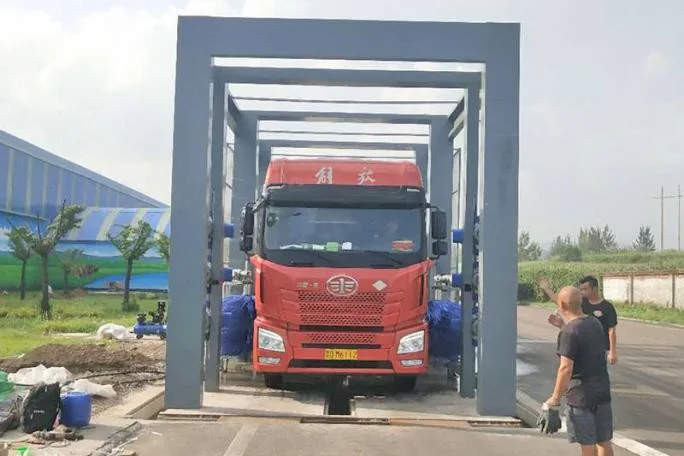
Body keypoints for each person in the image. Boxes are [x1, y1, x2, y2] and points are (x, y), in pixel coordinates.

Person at [544, 286, 614, 456]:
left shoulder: (569, 333)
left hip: (581, 397)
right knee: (603, 441)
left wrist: (554, 399)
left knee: (587, 444)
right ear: (580, 302)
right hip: (602, 392)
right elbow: (582, 337)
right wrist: (562, 325)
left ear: (561, 304)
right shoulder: (594, 323)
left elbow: (565, 368)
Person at [539, 276, 618, 364]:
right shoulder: (581, 302)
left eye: (585, 289)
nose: (582, 292)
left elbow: (612, 331)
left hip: (600, 348)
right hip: (582, 345)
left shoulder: (607, 307)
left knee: (598, 372)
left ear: (594, 289)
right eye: (581, 289)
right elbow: (562, 302)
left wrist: (612, 352)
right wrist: (547, 289)